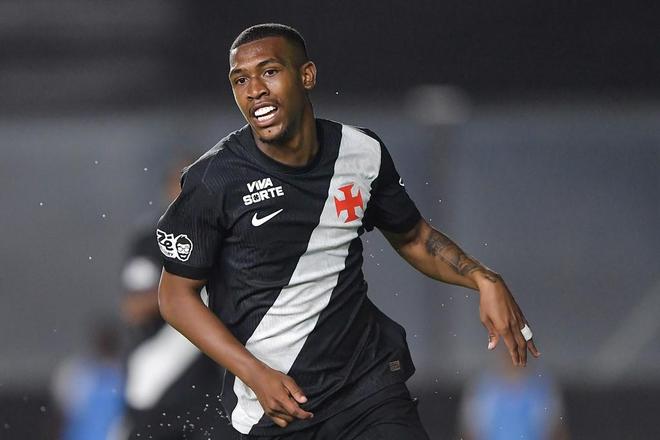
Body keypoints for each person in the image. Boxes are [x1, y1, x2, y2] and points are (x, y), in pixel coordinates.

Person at [156, 23, 541, 439]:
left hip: (367, 388)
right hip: (276, 408)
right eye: (240, 80)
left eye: (269, 71)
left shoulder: (361, 153)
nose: (255, 90)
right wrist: (254, 373)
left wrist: (483, 278)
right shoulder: (213, 180)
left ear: (307, 75)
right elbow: (175, 297)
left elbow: (412, 237)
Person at [120, 162, 236, 439]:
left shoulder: (223, 240)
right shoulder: (151, 241)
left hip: (209, 386)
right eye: (183, 187)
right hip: (156, 381)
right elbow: (134, 308)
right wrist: (186, 287)